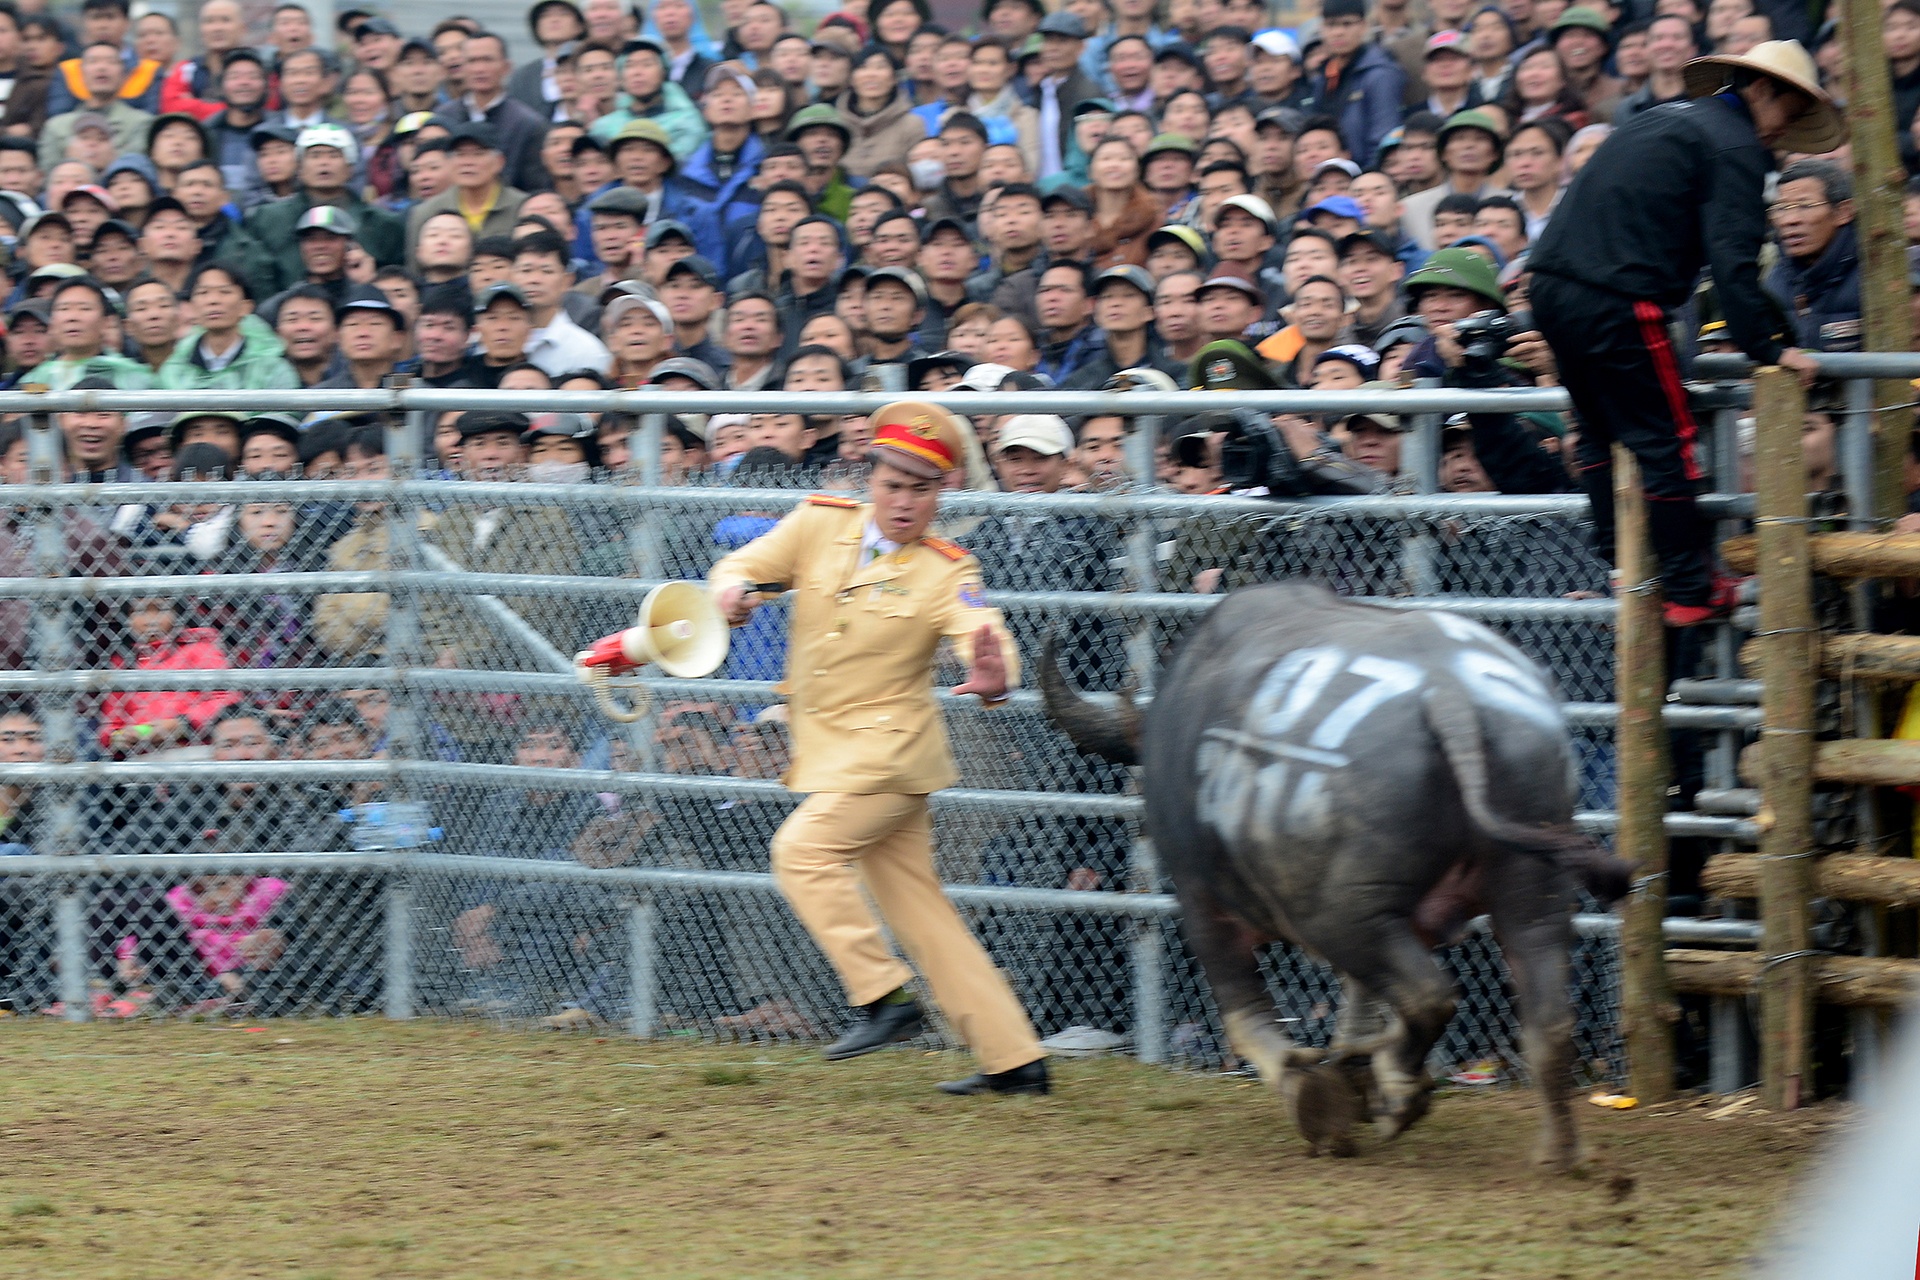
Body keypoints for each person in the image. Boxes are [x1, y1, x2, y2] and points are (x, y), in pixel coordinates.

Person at [707, 400, 1049, 1096]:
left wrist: (994, 674)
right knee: (923, 914)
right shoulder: (819, 523)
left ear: (942, 493)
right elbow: (743, 566)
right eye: (894, 485)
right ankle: (1014, 1058)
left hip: (888, 761)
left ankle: (883, 997)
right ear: (871, 479)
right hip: (840, 755)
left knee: (800, 853)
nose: (904, 503)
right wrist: (733, 592)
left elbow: (981, 630)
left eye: (922, 490)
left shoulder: (947, 569)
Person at [1530, 39, 1835, 627]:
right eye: (1788, 112)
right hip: (1620, 295)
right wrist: (1771, 349)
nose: (1783, 131)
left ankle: (1623, 560)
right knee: (1668, 439)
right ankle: (1691, 588)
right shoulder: (1735, 144)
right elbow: (1734, 260)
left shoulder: (1666, 118)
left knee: (1598, 431)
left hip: (1552, 285)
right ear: (1762, 90)